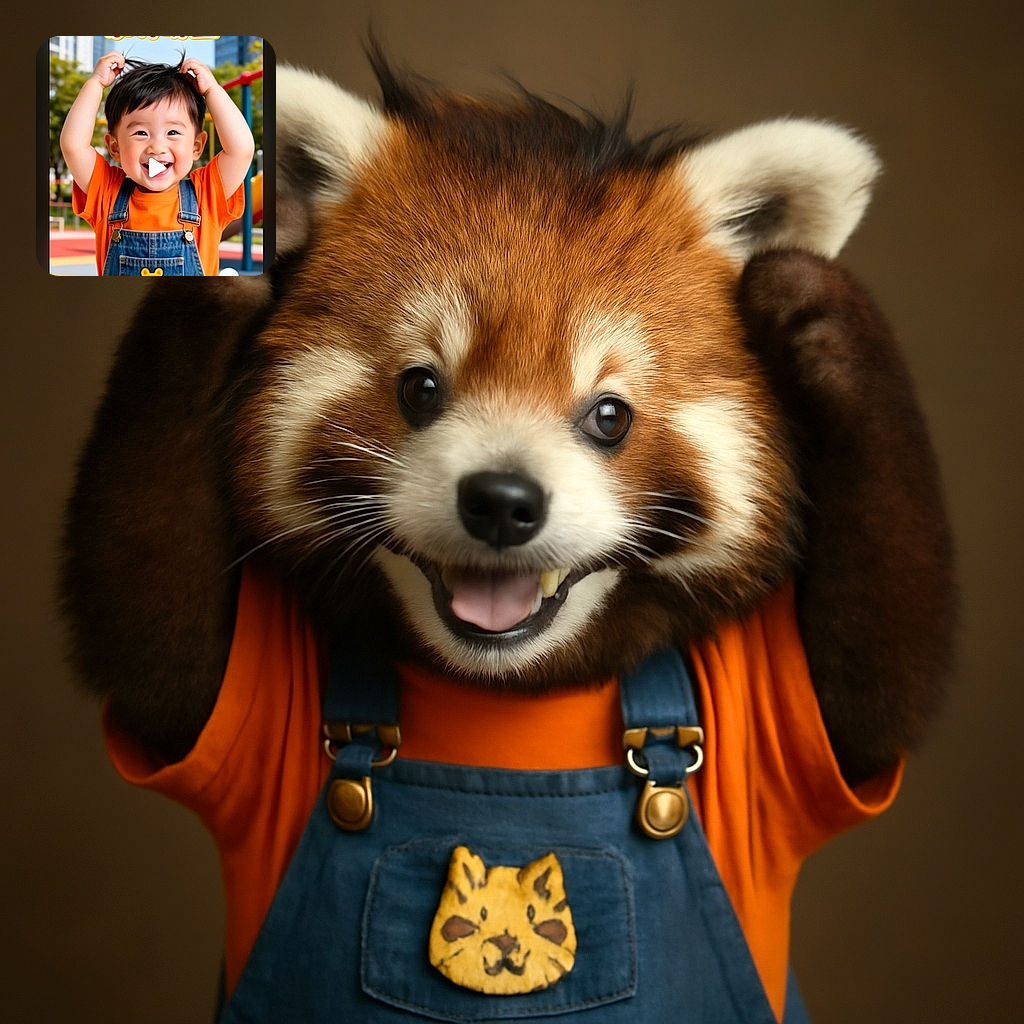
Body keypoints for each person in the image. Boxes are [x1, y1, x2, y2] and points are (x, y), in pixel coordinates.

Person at [61, 52, 255, 276]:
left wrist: (212, 90)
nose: (157, 147)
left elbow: (241, 150)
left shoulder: (206, 194)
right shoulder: (107, 192)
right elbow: (73, 146)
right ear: (115, 148)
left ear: (196, 146)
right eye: (141, 133)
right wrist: (95, 84)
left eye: (172, 132)